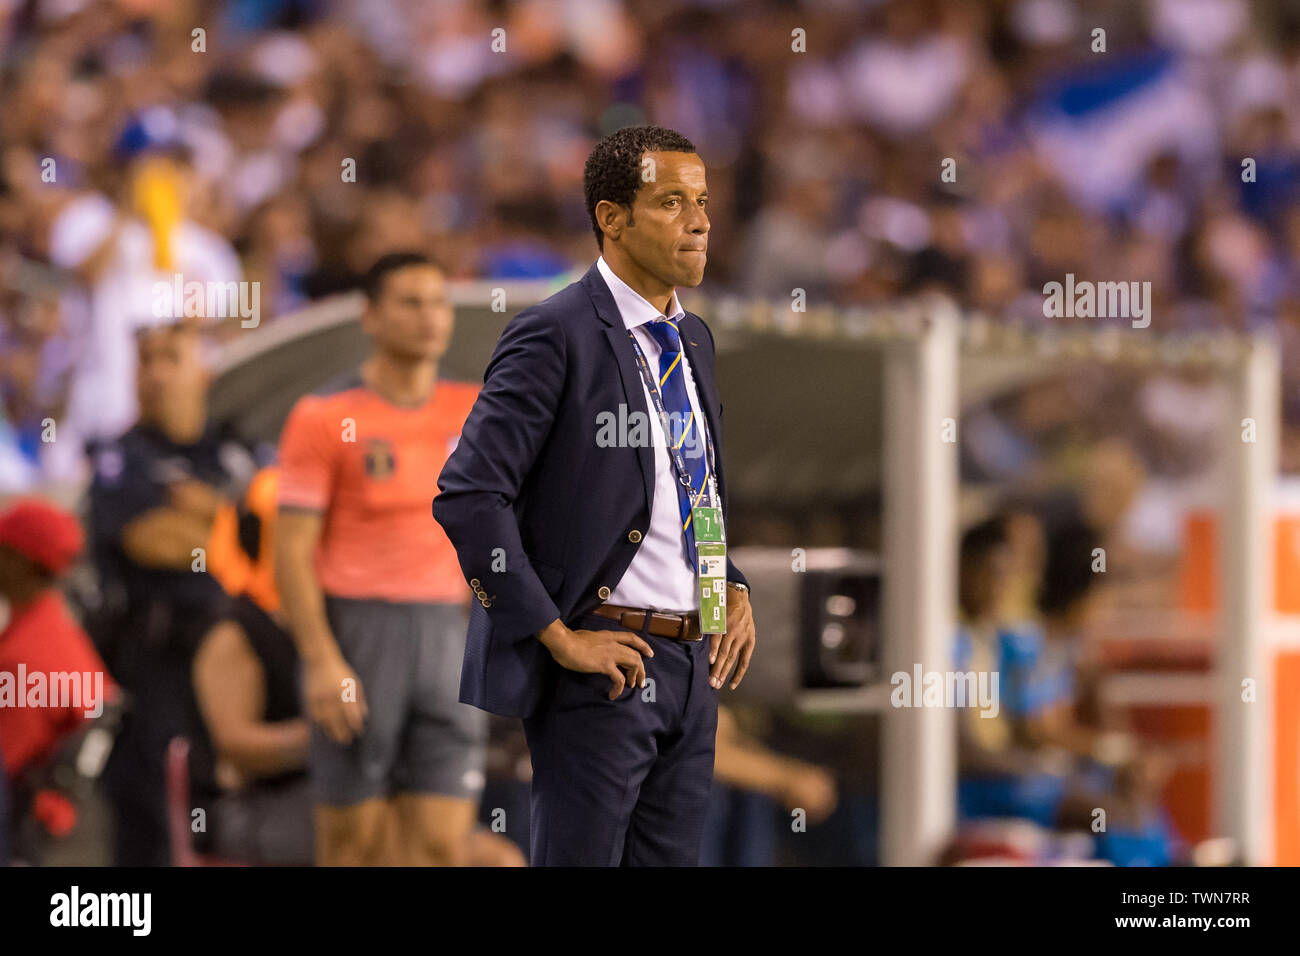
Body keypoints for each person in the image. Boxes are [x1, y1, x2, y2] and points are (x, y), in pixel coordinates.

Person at [435, 125, 757, 866]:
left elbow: (687, 489)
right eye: (672, 202)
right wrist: (553, 635)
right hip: (605, 665)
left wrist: (726, 583)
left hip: (690, 667)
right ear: (612, 217)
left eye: (703, 202)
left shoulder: (695, 341)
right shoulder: (554, 333)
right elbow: (469, 494)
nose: (701, 221)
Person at [275, 252, 488, 866]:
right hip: (360, 632)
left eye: (439, 302)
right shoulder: (326, 416)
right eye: (410, 303)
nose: (430, 318)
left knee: (445, 846)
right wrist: (320, 660)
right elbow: (291, 549)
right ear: (370, 315)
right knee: (352, 847)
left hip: (450, 631)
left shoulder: (477, 410)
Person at [88, 318, 256, 866]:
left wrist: (213, 514)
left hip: (236, 662)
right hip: (157, 665)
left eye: (171, 358)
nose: (156, 373)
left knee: (232, 822)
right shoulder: (121, 457)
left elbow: (281, 538)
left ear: (203, 370)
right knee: (156, 826)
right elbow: (154, 541)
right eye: (146, 360)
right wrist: (239, 527)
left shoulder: (236, 452)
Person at [0, 498, 116, 791]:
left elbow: (7, 765)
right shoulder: (53, 627)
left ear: (21, 562)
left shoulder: (23, 656)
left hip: (37, 822)